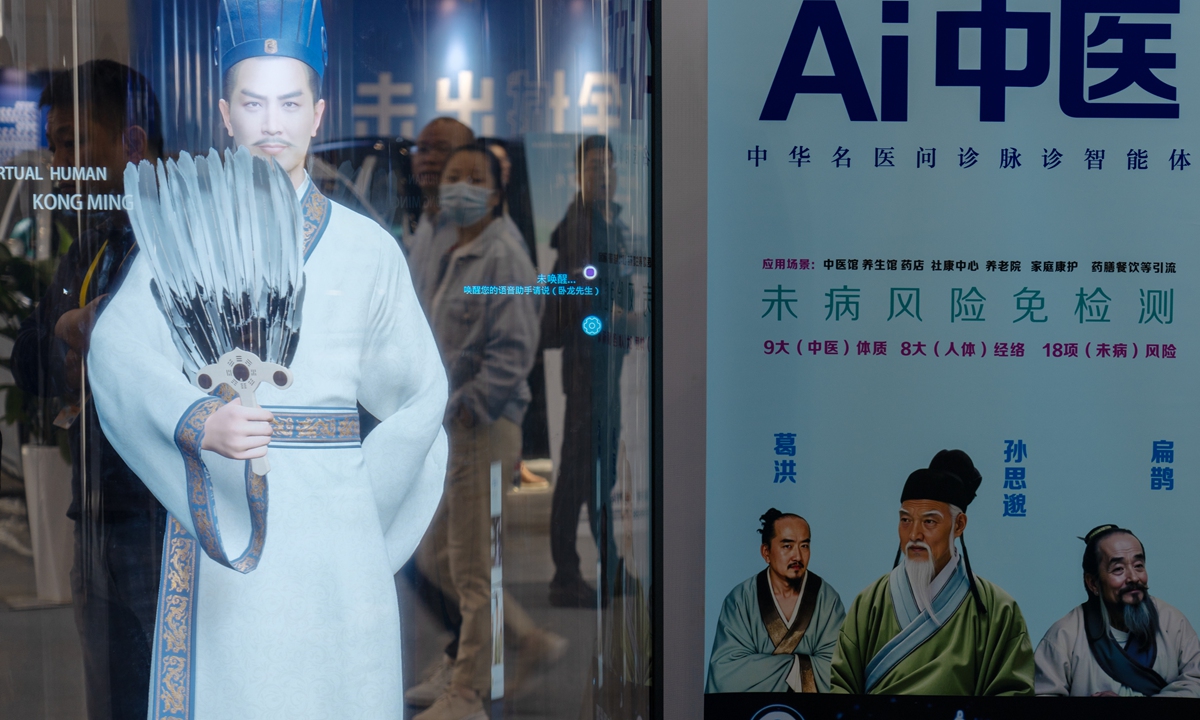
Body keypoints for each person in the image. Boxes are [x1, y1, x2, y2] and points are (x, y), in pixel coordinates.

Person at [87, 1, 448, 718]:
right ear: (225, 113)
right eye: (253, 102)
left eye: (291, 102)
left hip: (338, 551)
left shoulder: (365, 249)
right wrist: (199, 420)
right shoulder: (182, 239)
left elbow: (420, 397)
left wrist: (356, 508)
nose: (272, 123)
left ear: (319, 114)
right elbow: (116, 351)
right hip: (227, 537)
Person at [11, 59, 163, 720]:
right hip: (98, 516)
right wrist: (68, 340)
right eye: (53, 142)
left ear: (131, 143)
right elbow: (29, 360)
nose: (58, 159)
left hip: (170, 524)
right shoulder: (95, 242)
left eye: (73, 140)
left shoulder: (188, 237)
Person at [410, 143, 564, 720]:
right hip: (456, 428)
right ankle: (525, 642)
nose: (459, 186)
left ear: (498, 194)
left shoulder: (503, 253)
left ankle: (470, 691)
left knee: (473, 564)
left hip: (484, 426)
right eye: (454, 175)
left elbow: (515, 350)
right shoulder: (456, 246)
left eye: (475, 178)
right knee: (442, 557)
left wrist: (470, 407)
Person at [830, 450, 1035, 695]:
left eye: (929, 522)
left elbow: (1012, 698)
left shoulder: (998, 610)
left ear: (958, 525)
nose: (914, 535)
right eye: (906, 520)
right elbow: (840, 691)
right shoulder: (869, 603)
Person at [544, 135, 630, 607]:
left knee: (603, 475)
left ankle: (612, 567)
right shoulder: (579, 226)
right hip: (585, 369)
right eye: (595, 167)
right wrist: (614, 318)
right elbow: (582, 299)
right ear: (579, 176)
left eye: (610, 167)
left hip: (607, 369)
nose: (604, 175)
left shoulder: (609, 223)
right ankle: (564, 576)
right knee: (578, 474)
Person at [1034, 524, 1200, 696]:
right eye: (1118, 569)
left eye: (1138, 565)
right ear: (1092, 583)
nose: (1134, 577)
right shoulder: (1063, 637)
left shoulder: (1172, 622)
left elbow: (1196, 682)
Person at [706, 509, 845, 693]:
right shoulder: (740, 600)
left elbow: (839, 671)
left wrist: (771, 667)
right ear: (766, 552)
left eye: (804, 546)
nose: (797, 556)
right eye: (787, 546)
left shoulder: (827, 599)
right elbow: (726, 674)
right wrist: (798, 666)